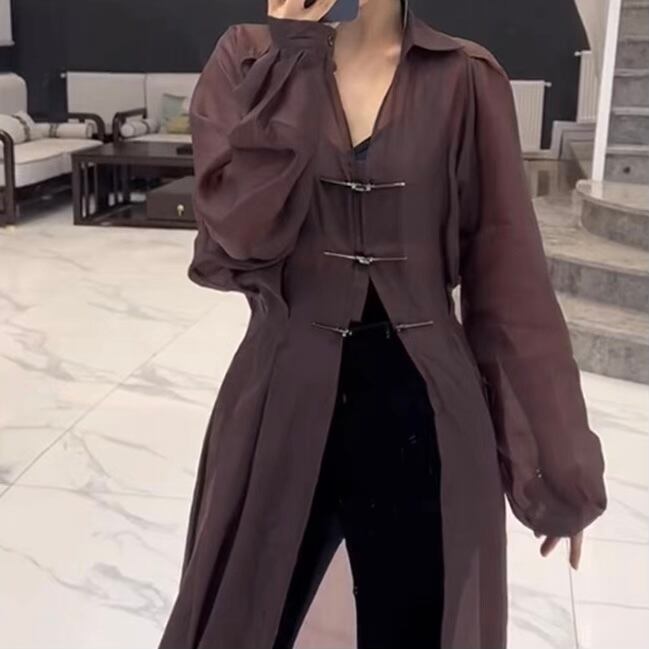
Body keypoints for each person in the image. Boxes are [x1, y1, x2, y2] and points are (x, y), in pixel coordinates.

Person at [158, 1, 608, 648]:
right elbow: (237, 236)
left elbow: (509, 280)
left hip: (423, 420)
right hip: (278, 404)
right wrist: (294, 55)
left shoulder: (464, 78)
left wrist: (560, 470)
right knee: (242, 622)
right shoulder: (249, 60)